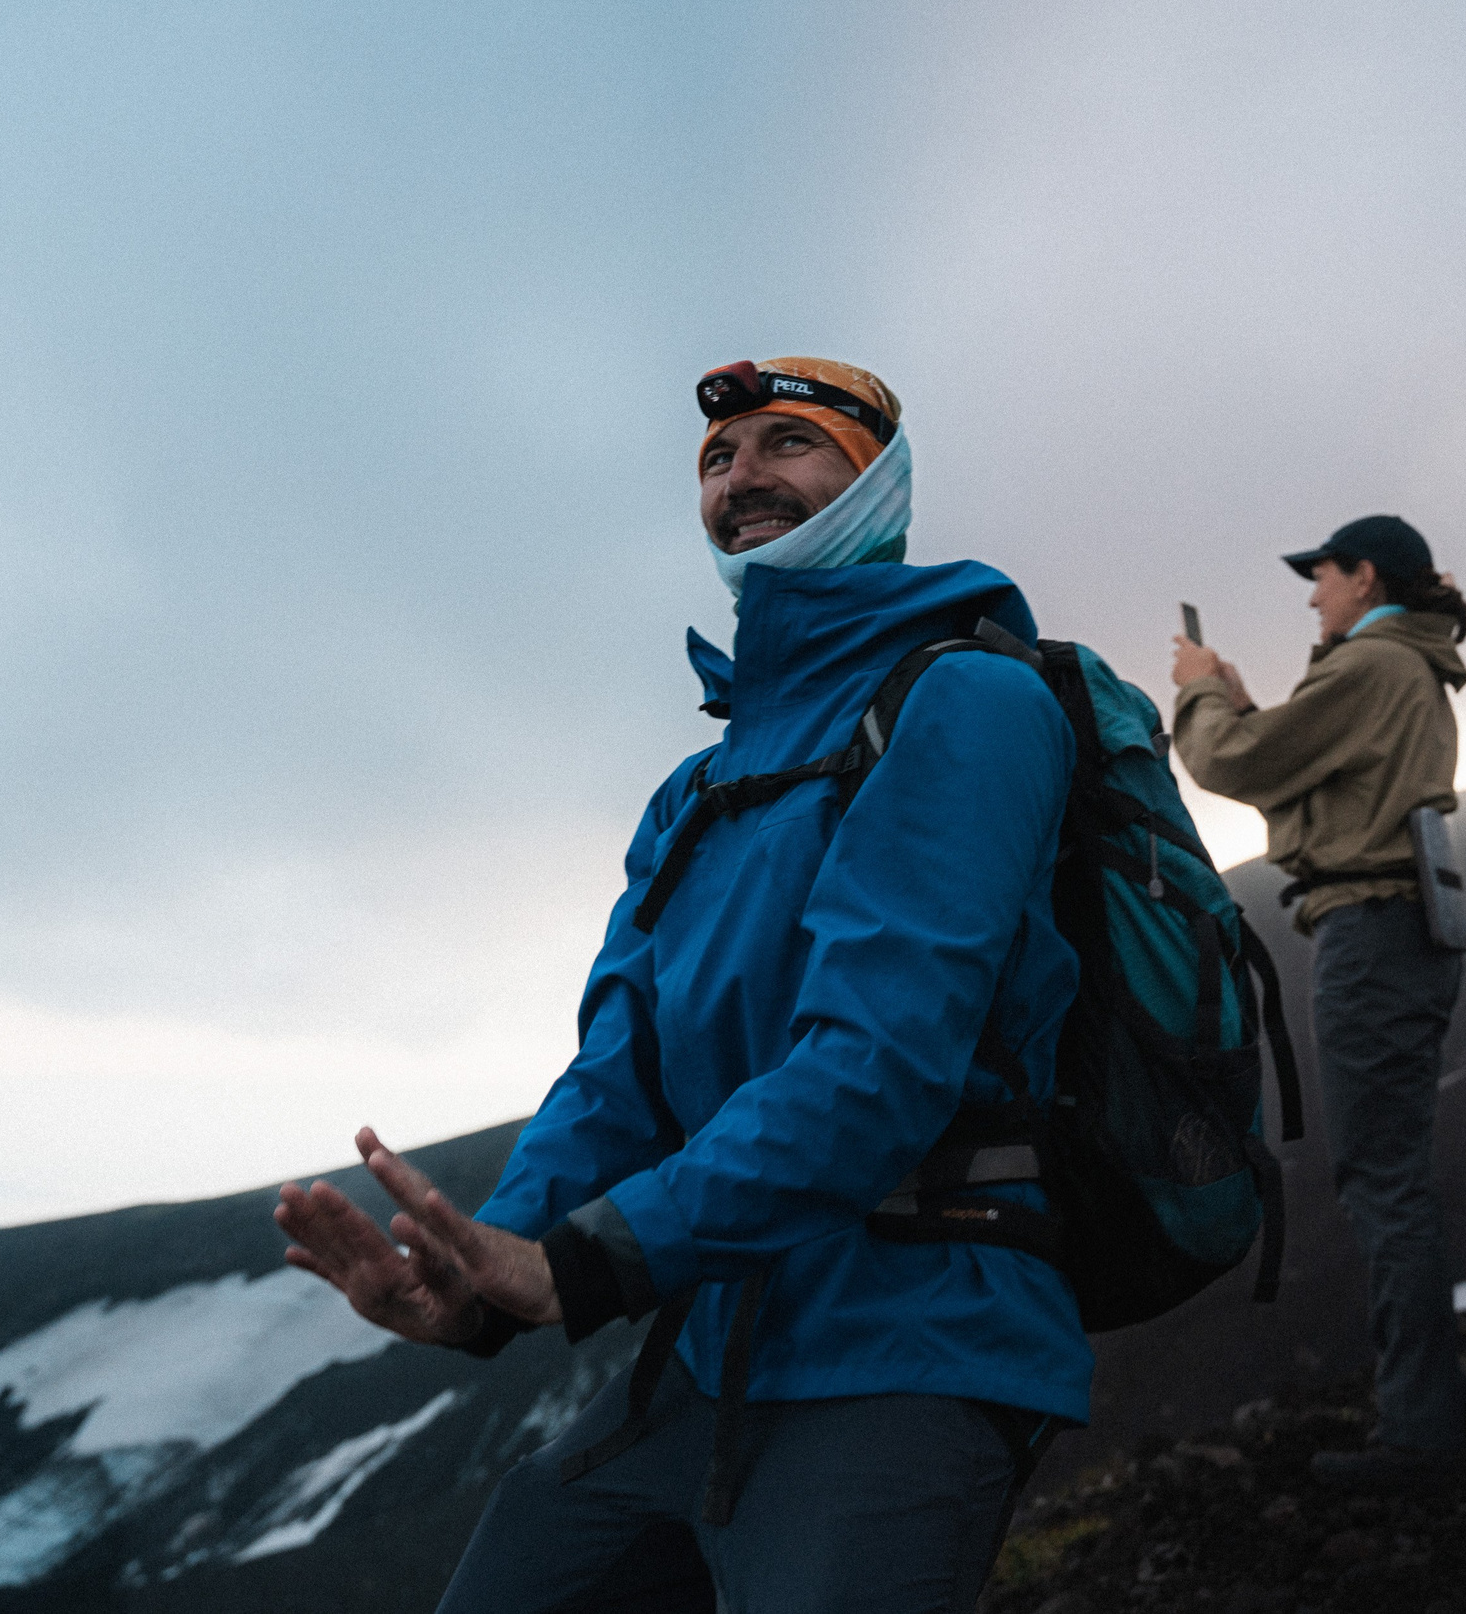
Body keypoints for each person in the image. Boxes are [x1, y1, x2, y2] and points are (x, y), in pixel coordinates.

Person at [274, 357, 1088, 1613]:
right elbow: (621, 1074)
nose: (743, 479)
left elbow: (878, 1067)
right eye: (717, 462)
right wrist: (488, 1269)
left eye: (785, 445)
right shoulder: (698, 787)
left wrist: (591, 1269)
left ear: (878, 483)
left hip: (913, 1336)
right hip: (714, 1348)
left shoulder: (968, 700)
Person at [1166, 513, 1466, 1492]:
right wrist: (1245, 701)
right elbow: (1299, 786)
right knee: (1392, 1178)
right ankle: (1427, 1412)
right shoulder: (1398, 667)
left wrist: (1200, 696)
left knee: (1383, 1184)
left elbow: (1236, 766)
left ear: (1365, 575)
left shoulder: (1372, 664)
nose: (1311, 595)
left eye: (1323, 576)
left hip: (1372, 934)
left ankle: (1422, 1437)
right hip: (1405, 928)